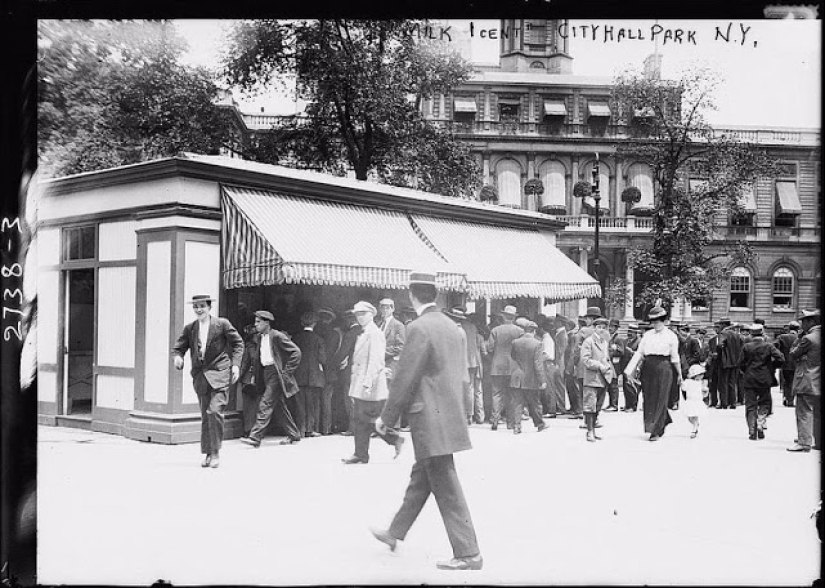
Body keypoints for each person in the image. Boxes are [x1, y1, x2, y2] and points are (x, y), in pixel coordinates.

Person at [371, 271, 482, 571]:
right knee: (422, 478)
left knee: (445, 485)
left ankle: (469, 553)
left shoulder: (418, 327)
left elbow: (406, 376)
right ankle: (395, 533)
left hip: (428, 417)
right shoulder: (452, 326)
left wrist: (387, 419)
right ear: (435, 294)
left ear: (412, 294)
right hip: (448, 415)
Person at [172, 294, 244, 468]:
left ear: (209, 307)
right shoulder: (190, 328)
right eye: (195, 306)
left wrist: (235, 366)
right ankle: (207, 453)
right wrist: (178, 357)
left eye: (202, 306)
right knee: (206, 416)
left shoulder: (222, 324)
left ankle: (216, 452)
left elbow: (238, 344)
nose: (199, 309)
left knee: (214, 411)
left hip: (220, 374)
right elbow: (179, 348)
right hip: (201, 378)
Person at [342, 301, 404, 464]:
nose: (359, 317)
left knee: (367, 419)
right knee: (363, 419)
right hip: (363, 381)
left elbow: (376, 360)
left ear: (371, 315)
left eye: (363, 314)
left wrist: (368, 382)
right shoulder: (365, 332)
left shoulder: (374, 333)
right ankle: (361, 453)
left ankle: (391, 439)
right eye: (357, 314)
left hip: (370, 383)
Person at [241, 310, 303, 448]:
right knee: (279, 406)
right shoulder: (258, 338)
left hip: (276, 373)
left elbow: (296, 352)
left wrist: (286, 373)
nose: (255, 325)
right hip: (265, 373)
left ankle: (255, 437)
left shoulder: (277, 336)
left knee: (265, 403)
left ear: (267, 322)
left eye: (258, 322)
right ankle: (294, 434)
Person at [625, 306, 682, 442]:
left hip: (664, 367)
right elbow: (639, 353)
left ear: (664, 321)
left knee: (661, 397)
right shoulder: (647, 335)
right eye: (653, 321)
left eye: (658, 321)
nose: (655, 324)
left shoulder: (671, 336)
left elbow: (675, 357)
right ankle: (659, 422)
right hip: (648, 367)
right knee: (649, 398)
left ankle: (656, 430)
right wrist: (629, 370)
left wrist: (679, 374)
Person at [740, 323, 784, 441]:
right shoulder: (768, 346)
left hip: (749, 378)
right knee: (764, 402)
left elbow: (740, 363)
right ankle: (760, 422)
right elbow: (781, 358)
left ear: (751, 334)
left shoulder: (746, 347)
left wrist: (747, 370)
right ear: (762, 333)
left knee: (750, 405)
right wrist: (771, 367)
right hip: (765, 378)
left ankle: (752, 430)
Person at [787, 309, 821, 452]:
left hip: (807, 378)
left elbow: (793, 354)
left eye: (804, 322)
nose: (802, 325)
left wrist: (799, 338)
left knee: (804, 411)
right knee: (818, 413)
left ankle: (804, 442)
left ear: (811, 322)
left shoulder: (808, 338)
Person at [510, 320, 550, 434]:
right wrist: (542, 380)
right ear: (533, 331)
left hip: (517, 376)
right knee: (535, 402)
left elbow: (513, 357)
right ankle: (540, 424)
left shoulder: (515, 342)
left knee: (517, 402)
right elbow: (538, 363)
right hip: (531, 378)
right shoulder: (537, 344)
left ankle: (517, 426)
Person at [487, 305, 523, 431]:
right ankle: (510, 422)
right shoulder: (519, 331)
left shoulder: (495, 330)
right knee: (512, 395)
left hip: (497, 367)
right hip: (513, 367)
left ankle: (495, 420)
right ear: (513, 317)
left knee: (496, 394)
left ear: (503, 316)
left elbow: (489, 348)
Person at [292, 311, 327, 438]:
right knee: (312, 404)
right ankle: (310, 429)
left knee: (300, 404)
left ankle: (300, 429)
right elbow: (323, 359)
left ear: (302, 323)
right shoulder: (319, 339)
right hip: (314, 376)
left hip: (298, 375)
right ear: (315, 324)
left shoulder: (296, 338)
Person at [450, 306, 486, 425]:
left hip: (464, 363)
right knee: (477, 390)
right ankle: (480, 416)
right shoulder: (472, 327)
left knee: (468, 390)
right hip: (475, 362)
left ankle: (468, 416)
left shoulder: (456, 329)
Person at [581, 317, 615, 442]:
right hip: (592, 378)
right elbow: (585, 360)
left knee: (598, 406)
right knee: (590, 406)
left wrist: (608, 368)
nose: (601, 330)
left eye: (604, 328)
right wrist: (599, 365)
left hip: (604, 377)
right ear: (594, 328)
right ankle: (589, 431)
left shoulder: (604, 342)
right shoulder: (588, 342)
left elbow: (606, 358)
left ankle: (594, 431)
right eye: (599, 327)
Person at [331, 310, 362, 436]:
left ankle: (353, 428)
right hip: (362, 370)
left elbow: (343, 352)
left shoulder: (350, 333)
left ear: (350, 320)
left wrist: (332, 364)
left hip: (350, 371)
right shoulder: (364, 331)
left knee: (350, 399)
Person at [315, 307, 343, 435]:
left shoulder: (315, 331)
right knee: (327, 399)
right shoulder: (334, 334)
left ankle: (317, 427)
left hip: (317, 370)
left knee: (317, 399)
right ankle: (326, 428)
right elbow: (332, 354)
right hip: (329, 371)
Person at [574, 307, 601, 430]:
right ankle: (596, 418)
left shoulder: (584, 331)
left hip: (584, 366)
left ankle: (588, 421)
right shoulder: (603, 331)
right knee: (597, 393)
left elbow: (577, 349)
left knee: (585, 394)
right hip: (599, 366)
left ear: (590, 319)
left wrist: (575, 363)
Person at [716, 317, 743, 410]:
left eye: (720, 324)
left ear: (723, 325)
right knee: (732, 382)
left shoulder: (723, 333)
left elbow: (719, 345)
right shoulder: (737, 334)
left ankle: (724, 403)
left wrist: (719, 352)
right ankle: (733, 403)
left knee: (723, 383)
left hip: (724, 362)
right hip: (735, 362)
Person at [238, 325, 260, 437]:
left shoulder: (264, 346)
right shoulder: (249, 348)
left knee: (258, 407)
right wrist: (238, 377)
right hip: (249, 380)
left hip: (260, 380)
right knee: (249, 407)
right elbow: (245, 364)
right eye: (256, 334)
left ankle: (256, 430)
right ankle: (248, 430)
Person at [775, 321, 800, 407]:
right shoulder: (801, 337)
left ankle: (786, 397)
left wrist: (780, 356)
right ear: (798, 329)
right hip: (796, 364)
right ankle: (790, 400)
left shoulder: (782, 337)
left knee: (786, 382)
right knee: (794, 382)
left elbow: (775, 346)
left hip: (785, 363)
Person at [681, 364, 708, 439]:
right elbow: (684, 388)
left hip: (697, 401)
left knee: (695, 416)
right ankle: (695, 425)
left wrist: (705, 391)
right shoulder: (688, 381)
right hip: (690, 401)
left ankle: (694, 428)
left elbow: (704, 394)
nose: (701, 376)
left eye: (702, 374)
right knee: (689, 417)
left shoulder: (702, 383)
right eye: (700, 374)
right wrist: (682, 383)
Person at [621, 323, 641, 412]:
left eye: (631, 332)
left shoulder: (639, 341)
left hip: (634, 367)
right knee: (626, 386)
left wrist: (631, 352)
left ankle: (633, 406)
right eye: (628, 331)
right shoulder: (625, 341)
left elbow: (640, 355)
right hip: (625, 366)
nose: (629, 333)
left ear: (636, 333)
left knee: (633, 387)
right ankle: (627, 404)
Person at [605, 318, 624, 412]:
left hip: (615, 364)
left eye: (612, 327)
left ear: (616, 328)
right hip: (610, 363)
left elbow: (621, 351)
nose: (610, 328)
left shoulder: (618, 338)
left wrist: (614, 349)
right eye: (609, 326)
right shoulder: (611, 337)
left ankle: (614, 405)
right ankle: (611, 403)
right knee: (610, 385)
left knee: (614, 385)